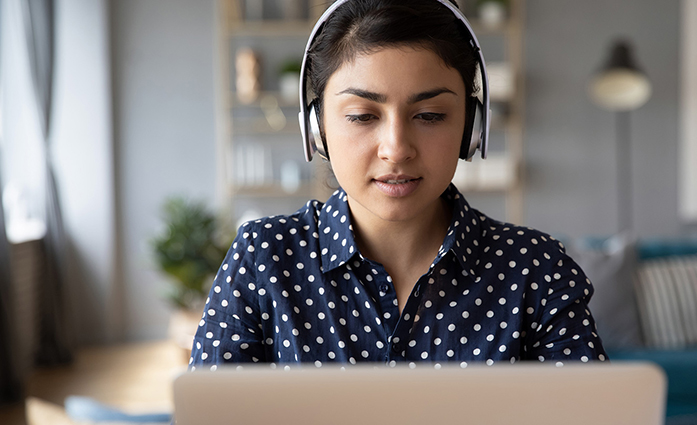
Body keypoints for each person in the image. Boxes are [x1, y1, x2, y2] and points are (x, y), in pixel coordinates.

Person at [190, 0, 606, 370]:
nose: (397, 149)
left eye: (429, 115)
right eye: (362, 116)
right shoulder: (262, 261)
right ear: (317, 129)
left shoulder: (537, 270)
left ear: (471, 128)